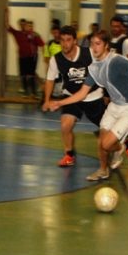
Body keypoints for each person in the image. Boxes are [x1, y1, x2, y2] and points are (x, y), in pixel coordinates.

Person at [49, 30, 128, 181]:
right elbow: (81, 93)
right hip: (114, 105)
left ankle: (121, 147)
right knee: (101, 142)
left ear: (106, 45)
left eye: (98, 43)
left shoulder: (117, 62)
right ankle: (103, 170)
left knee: (106, 144)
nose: (94, 47)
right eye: (92, 43)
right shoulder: (94, 68)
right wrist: (59, 102)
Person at [41, 25, 107, 167]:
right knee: (65, 125)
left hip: (92, 96)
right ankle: (69, 154)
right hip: (71, 96)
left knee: (107, 130)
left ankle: (123, 145)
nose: (65, 44)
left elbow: (104, 70)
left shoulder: (89, 53)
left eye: (68, 40)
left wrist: (107, 92)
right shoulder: (56, 60)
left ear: (75, 41)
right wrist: (47, 100)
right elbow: (50, 79)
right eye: (62, 40)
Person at [5, 10, 40, 97]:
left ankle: (34, 92)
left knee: (31, 74)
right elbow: (7, 26)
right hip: (22, 57)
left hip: (31, 57)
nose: (22, 26)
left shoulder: (33, 34)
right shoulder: (17, 33)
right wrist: (7, 15)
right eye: (20, 24)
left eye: (23, 24)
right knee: (23, 74)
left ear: (26, 25)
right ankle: (25, 91)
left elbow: (40, 43)